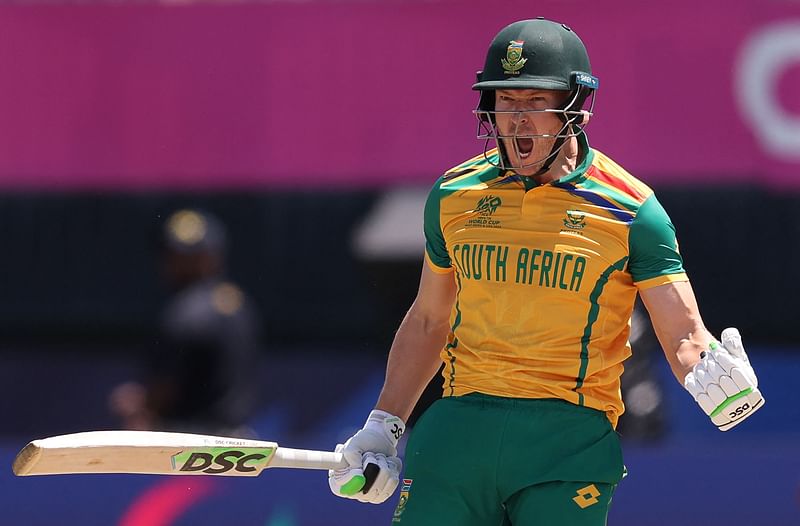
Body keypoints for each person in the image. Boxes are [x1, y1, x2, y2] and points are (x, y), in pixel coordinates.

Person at [327, 18, 765, 525]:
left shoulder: (632, 209)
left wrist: (719, 380)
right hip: (458, 428)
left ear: (575, 108)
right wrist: (384, 425)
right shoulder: (453, 195)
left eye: (536, 102)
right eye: (505, 101)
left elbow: (684, 335)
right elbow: (429, 320)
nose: (517, 121)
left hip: (568, 440)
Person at [109, 209, 260, 436]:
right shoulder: (238, 303)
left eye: (190, 257)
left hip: (189, 446)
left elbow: (166, 389)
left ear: (212, 256)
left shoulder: (186, 311)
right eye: (173, 255)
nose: (175, 264)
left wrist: (141, 403)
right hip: (236, 444)